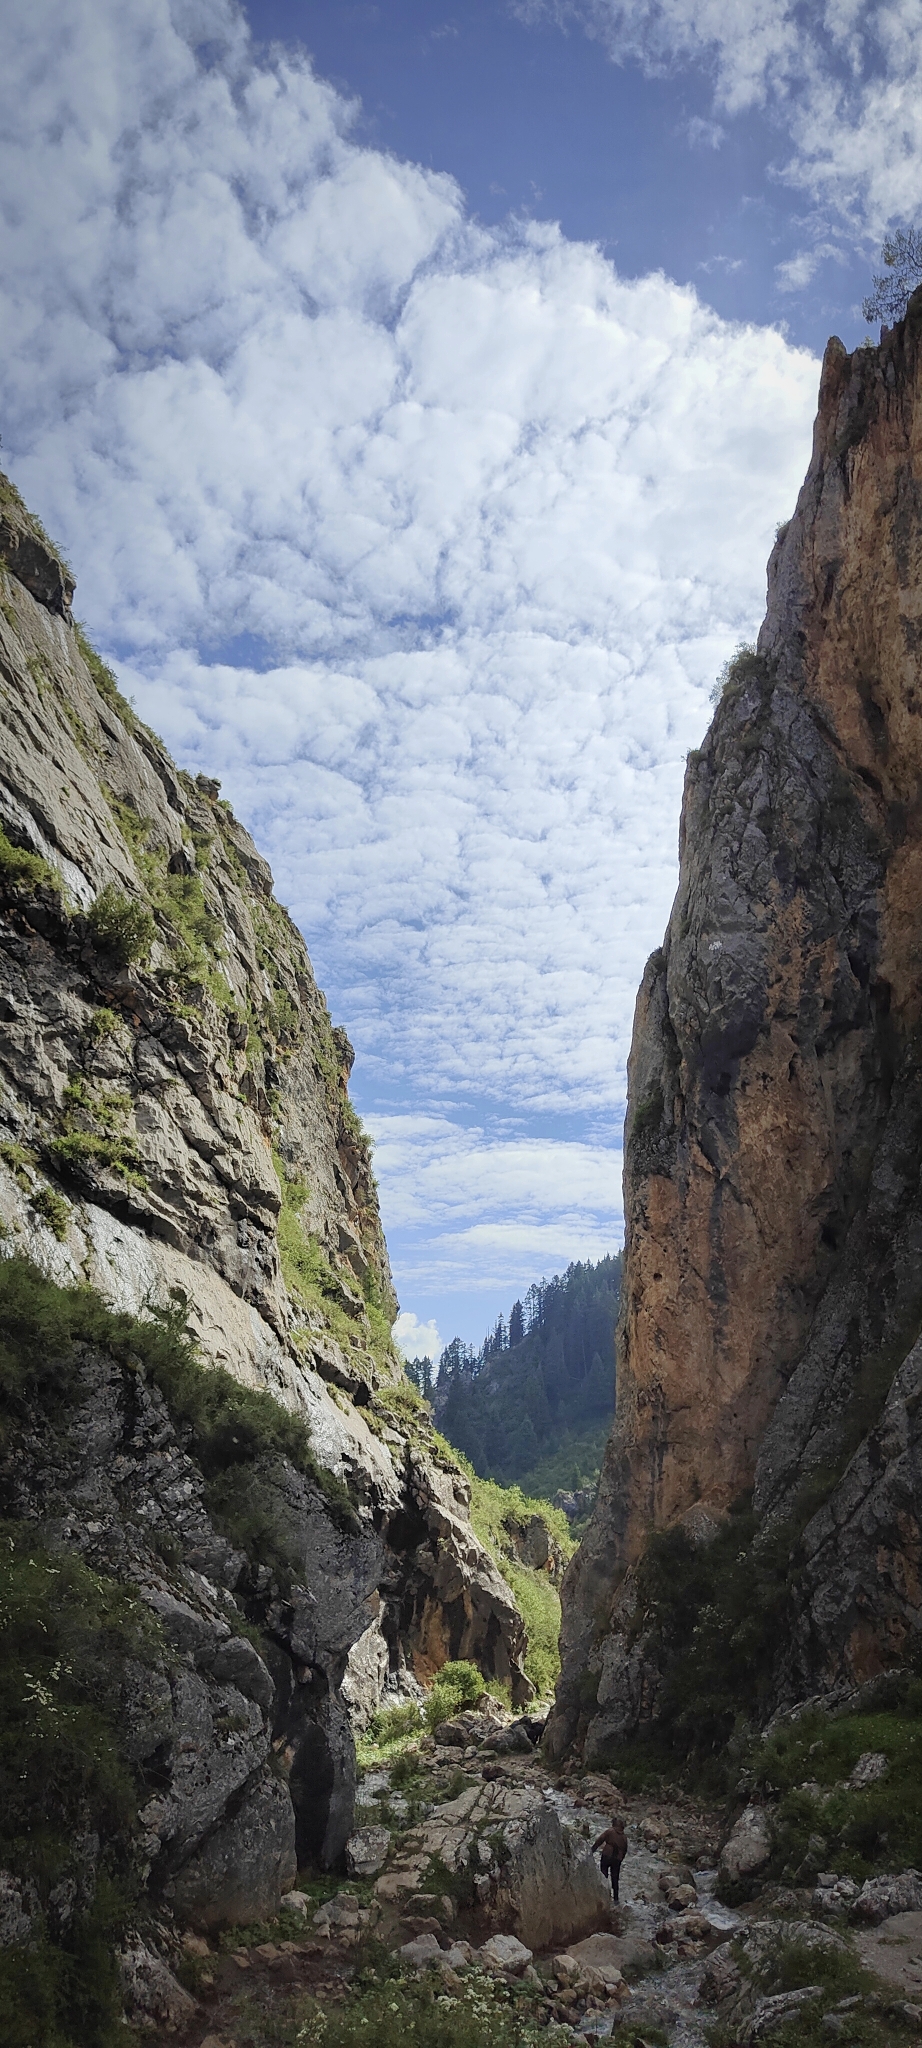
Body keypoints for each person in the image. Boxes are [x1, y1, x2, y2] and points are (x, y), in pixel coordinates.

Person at [592, 1815, 628, 1902]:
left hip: (607, 1855)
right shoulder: (624, 1838)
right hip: (617, 1859)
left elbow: (600, 1840)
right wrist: (620, 1859)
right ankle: (616, 1899)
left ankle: (603, 1895)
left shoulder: (610, 1831)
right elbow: (625, 1850)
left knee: (603, 1876)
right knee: (615, 1879)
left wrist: (592, 1850)